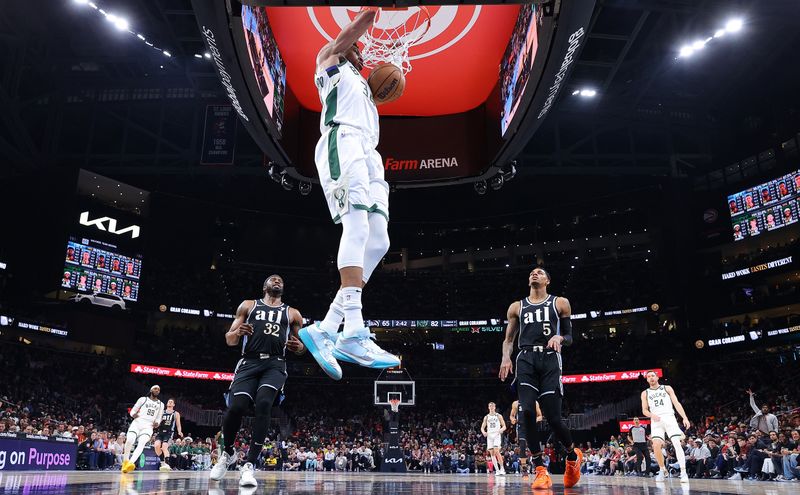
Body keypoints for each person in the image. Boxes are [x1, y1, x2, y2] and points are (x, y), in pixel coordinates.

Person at [298, 8, 399, 380]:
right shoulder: (329, 62)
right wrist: (371, 12)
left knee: (380, 242)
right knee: (355, 228)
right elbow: (350, 33)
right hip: (343, 141)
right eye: (357, 48)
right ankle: (353, 330)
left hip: (370, 156)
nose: (362, 53)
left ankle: (326, 328)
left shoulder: (366, 90)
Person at [209, 274, 305, 488]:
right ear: (265, 286)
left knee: (263, 404)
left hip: (275, 364)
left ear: (283, 288)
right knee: (236, 407)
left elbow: (302, 347)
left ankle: (250, 465)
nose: (277, 281)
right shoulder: (249, 305)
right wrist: (236, 332)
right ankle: (228, 453)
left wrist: (299, 348)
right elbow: (229, 340)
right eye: (273, 279)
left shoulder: (292, 313)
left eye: (281, 279)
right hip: (249, 362)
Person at [499, 267, 583, 489]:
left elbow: (569, 337)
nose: (534, 273)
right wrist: (506, 358)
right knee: (526, 411)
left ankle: (572, 457)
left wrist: (560, 337)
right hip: (525, 358)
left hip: (550, 360)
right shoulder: (517, 306)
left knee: (554, 418)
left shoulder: (560, 303)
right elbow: (508, 340)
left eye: (540, 272)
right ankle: (539, 468)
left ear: (548, 280)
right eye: (532, 272)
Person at [641, 371, 691, 482]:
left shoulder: (667, 388)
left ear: (657, 377)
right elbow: (644, 410)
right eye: (648, 376)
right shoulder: (645, 393)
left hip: (669, 417)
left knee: (677, 443)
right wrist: (651, 415)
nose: (651, 378)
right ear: (647, 380)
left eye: (653, 375)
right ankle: (663, 470)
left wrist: (685, 417)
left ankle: (683, 473)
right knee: (656, 445)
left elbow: (676, 403)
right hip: (655, 420)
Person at [121, 385, 164, 473]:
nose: (157, 390)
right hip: (137, 423)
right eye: (155, 389)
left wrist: (157, 423)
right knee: (130, 440)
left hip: (148, 426)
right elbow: (133, 410)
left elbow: (159, 417)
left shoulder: (161, 404)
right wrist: (133, 414)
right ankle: (125, 461)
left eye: (159, 389)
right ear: (151, 390)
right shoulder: (143, 399)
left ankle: (130, 463)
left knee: (141, 443)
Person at [509, 398, 542, 476]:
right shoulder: (516, 403)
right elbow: (511, 415)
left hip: (531, 426)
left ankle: (538, 467)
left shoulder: (534, 402)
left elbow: (540, 416)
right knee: (522, 446)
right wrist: (512, 419)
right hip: (521, 427)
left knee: (534, 447)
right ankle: (524, 468)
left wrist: (535, 419)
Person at [154, 398, 183, 471]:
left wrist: (180, 431)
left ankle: (167, 464)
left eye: (171, 402)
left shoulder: (176, 413)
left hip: (169, 432)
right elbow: (157, 423)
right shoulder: (162, 412)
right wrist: (156, 424)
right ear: (167, 404)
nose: (170, 403)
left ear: (173, 405)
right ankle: (162, 462)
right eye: (169, 402)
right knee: (157, 446)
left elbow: (178, 425)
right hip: (160, 432)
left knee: (164, 447)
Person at [481, 402, 507, 475]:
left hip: (496, 435)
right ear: (488, 407)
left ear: (495, 407)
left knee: (496, 450)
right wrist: (483, 432)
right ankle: (497, 470)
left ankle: (502, 468)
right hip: (489, 436)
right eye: (490, 406)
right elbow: (482, 427)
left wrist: (501, 430)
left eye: (493, 406)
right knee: (492, 453)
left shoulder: (498, 416)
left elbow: (504, 426)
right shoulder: (486, 417)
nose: (491, 407)